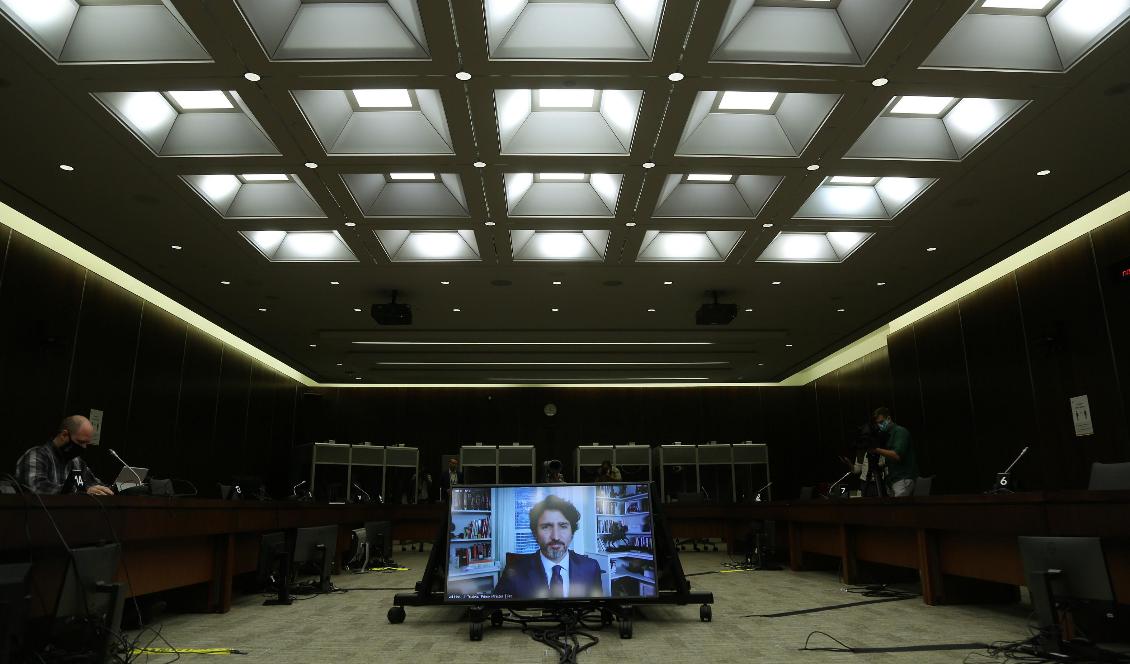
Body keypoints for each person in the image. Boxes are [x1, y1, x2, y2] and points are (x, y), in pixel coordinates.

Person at [492, 495, 602, 599]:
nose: (556, 537)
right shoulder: (514, 571)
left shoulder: (591, 567)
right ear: (535, 534)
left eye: (563, 526)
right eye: (546, 527)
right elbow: (496, 610)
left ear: (572, 532)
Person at [15, 415, 113, 495]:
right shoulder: (36, 455)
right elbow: (37, 487)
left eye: (86, 443)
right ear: (64, 435)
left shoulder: (76, 462)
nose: (84, 447)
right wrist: (81, 492)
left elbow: (95, 485)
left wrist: (121, 485)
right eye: (80, 442)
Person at [869, 407, 918, 497]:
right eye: (878, 423)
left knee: (900, 510)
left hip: (903, 478)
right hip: (893, 480)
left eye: (881, 422)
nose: (880, 425)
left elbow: (897, 455)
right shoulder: (888, 436)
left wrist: (876, 449)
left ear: (888, 418)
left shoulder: (900, 432)